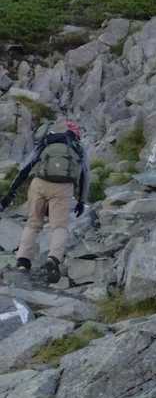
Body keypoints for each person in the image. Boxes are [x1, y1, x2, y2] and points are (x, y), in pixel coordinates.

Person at [1, 119, 90, 284]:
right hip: (63, 187)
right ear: (76, 134)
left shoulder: (46, 142)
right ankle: (53, 259)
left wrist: (10, 194)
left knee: (33, 223)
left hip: (39, 183)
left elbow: (25, 168)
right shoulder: (78, 147)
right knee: (59, 226)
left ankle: (23, 261)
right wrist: (81, 201)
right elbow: (85, 175)